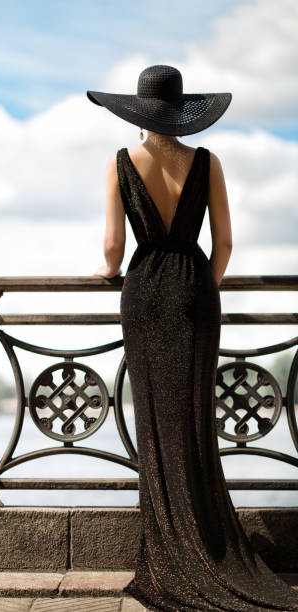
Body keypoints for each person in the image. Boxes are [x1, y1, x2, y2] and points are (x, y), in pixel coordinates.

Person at [87, 65, 298, 611]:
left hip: (144, 294)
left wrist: (108, 272)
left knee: (156, 425)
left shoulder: (119, 163)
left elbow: (113, 251)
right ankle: (208, 549)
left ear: (137, 114)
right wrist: (201, 285)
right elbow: (223, 243)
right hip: (196, 294)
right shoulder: (207, 162)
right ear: (181, 114)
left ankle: (168, 555)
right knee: (195, 424)